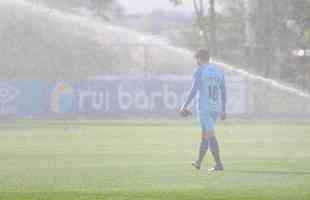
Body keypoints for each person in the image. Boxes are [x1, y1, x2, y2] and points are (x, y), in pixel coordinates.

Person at [180, 49, 226, 171]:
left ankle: (218, 164)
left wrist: (184, 105)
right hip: (215, 109)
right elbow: (223, 91)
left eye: (196, 59)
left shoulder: (199, 71)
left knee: (210, 135)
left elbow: (194, 90)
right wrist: (223, 109)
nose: (196, 62)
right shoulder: (219, 71)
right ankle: (198, 162)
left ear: (200, 58)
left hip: (204, 109)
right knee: (205, 135)